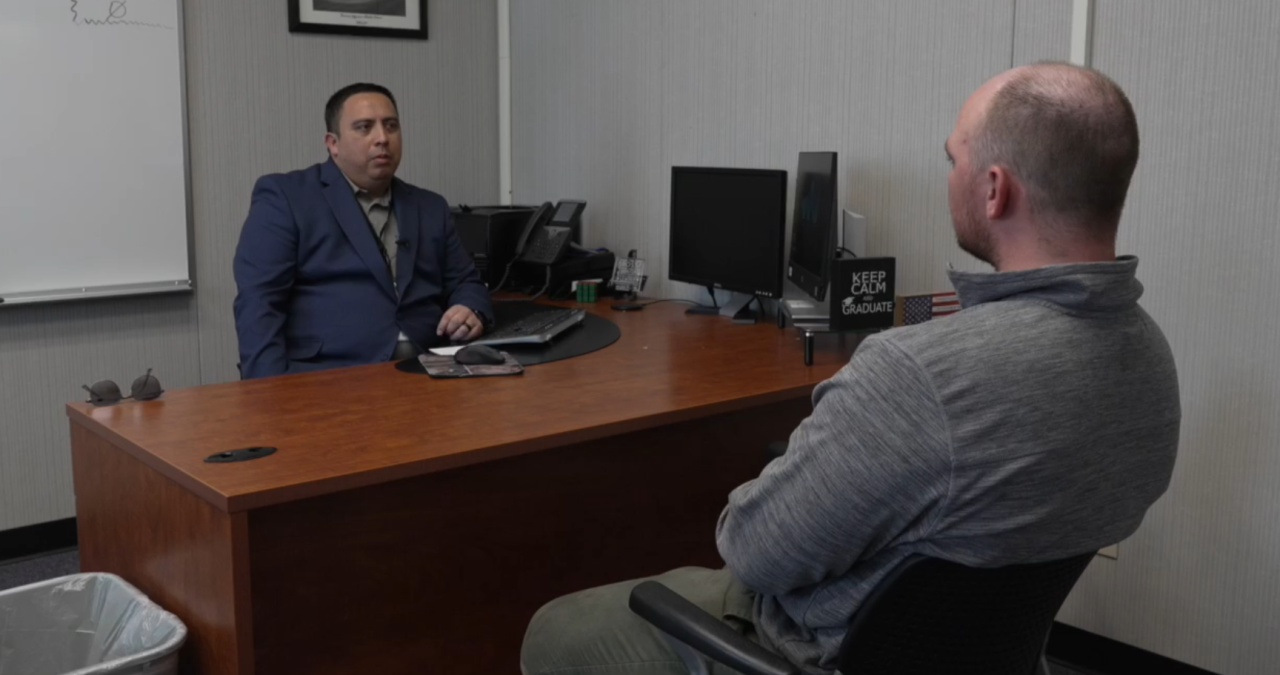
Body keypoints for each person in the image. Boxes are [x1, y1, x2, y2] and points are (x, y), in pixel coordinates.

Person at [520, 62, 1181, 675]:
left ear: (993, 188)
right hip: (985, 653)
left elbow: (751, 551)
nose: (946, 174)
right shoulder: (1149, 359)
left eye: (953, 159)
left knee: (556, 628)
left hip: (808, 649)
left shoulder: (919, 375)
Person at [233, 83, 491, 379]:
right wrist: (266, 393)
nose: (382, 138)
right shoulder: (287, 197)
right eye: (364, 127)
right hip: (328, 378)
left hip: (428, 373)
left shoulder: (429, 206)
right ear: (333, 143)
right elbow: (259, 303)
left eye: (391, 126)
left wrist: (471, 308)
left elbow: (466, 282)